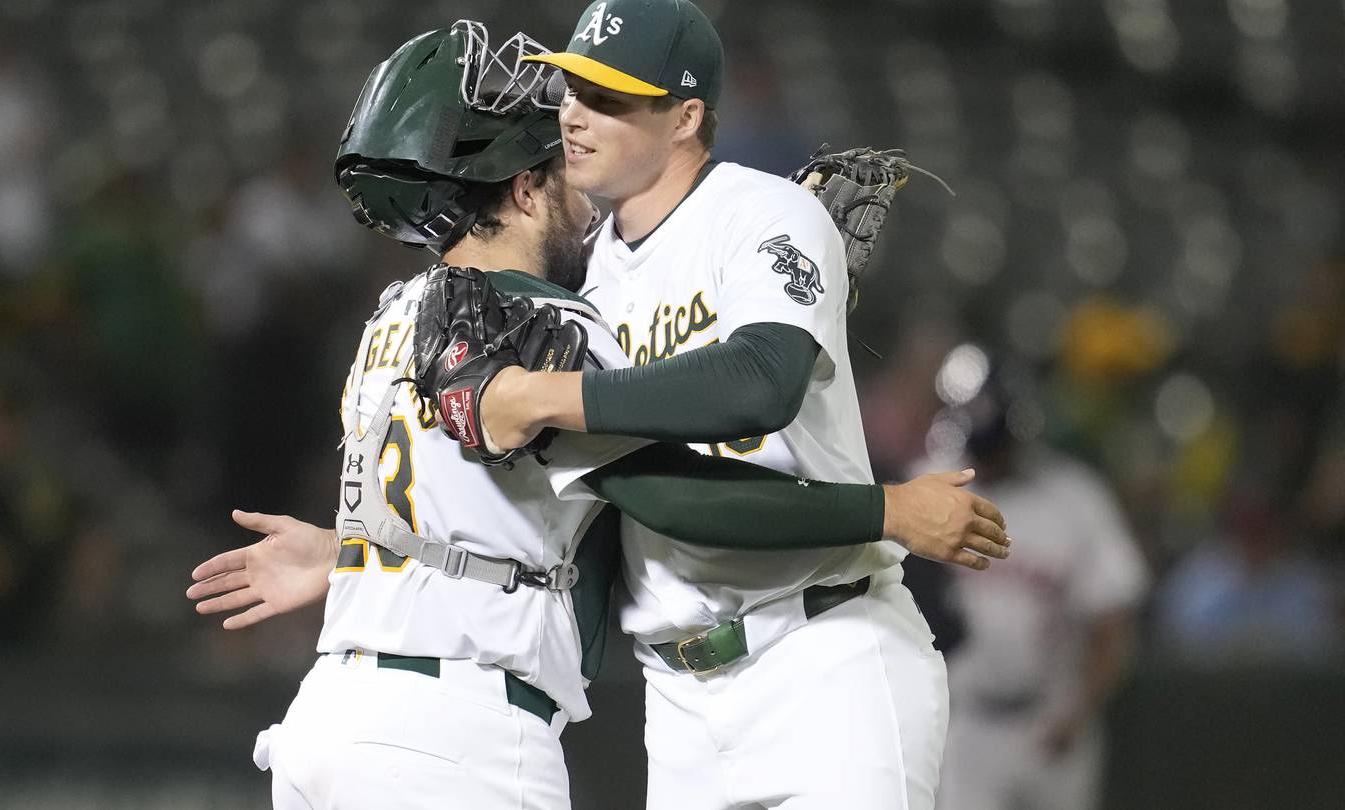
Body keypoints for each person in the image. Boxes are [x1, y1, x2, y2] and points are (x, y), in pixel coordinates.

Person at [186, 21, 1008, 810]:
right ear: (519, 186)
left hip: (333, 714)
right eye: (556, 167)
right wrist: (891, 508)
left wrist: (350, 554)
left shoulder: (397, 313)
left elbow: (481, 515)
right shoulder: (545, 323)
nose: (577, 169)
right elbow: (670, 498)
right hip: (456, 733)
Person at [440, 1, 991, 806]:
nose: (575, 117)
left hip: (825, 650)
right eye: (571, 91)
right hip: (678, 696)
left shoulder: (766, 214)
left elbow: (760, 383)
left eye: (609, 99)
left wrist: (552, 395)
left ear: (686, 116)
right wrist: (358, 554)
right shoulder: (577, 276)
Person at [922, 348, 1149, 810]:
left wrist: (1079, 710)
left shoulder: (1076, 498)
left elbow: (1113, 622)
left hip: (1053, 720)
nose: (989, 456)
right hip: (965, 724)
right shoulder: (929, 488)